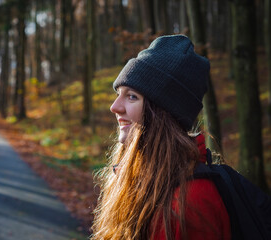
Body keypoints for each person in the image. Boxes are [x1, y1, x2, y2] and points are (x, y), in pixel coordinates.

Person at [91, 35, 231, 240]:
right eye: (118, 93)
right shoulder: (138, 174)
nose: (115, 107)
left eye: (132, 96)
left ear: (163, 112)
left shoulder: (190, 201)